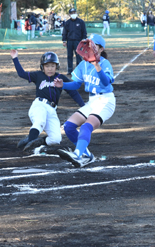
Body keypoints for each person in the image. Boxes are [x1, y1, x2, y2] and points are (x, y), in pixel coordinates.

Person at [53, 34, 115, 168]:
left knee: (86, 126)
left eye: (93, 46)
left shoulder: (104, 63)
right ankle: (86, 155)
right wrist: (62, 85)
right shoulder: (83, 65)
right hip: (92, 101)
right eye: (88, 45)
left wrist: (96, 65)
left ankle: (77, 154)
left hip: (106, 101)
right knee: (69, 127)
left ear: (101, 49)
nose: (89, 48)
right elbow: (76, 84)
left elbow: (105, 83)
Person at [10, 50, 85, 151]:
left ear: (57, 67)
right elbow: (22, 74)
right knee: (39, 121)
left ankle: (38, 140)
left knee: (56, 139)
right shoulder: (38, 75)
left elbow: (73, 92)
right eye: (47, 66)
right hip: (39, 106)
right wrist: (15, 58)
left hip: (52, 110)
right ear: (42, 67)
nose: (50, 69)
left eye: (53, 66)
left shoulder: (60, 78)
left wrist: (84, 106)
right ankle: (29, 143)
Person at [62, 8, 87, 75]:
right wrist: (64, 41)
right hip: (69, 41)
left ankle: (79, 70)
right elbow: (64, 32)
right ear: (69, 14)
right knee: (69, 56)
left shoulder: (81, 22)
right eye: (72, 13)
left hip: (78, 41)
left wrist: (84, 39)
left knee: (79, 56)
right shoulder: (67, 23)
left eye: (74, 12)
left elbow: (84, 31)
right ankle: (70, 70)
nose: (73, 14)